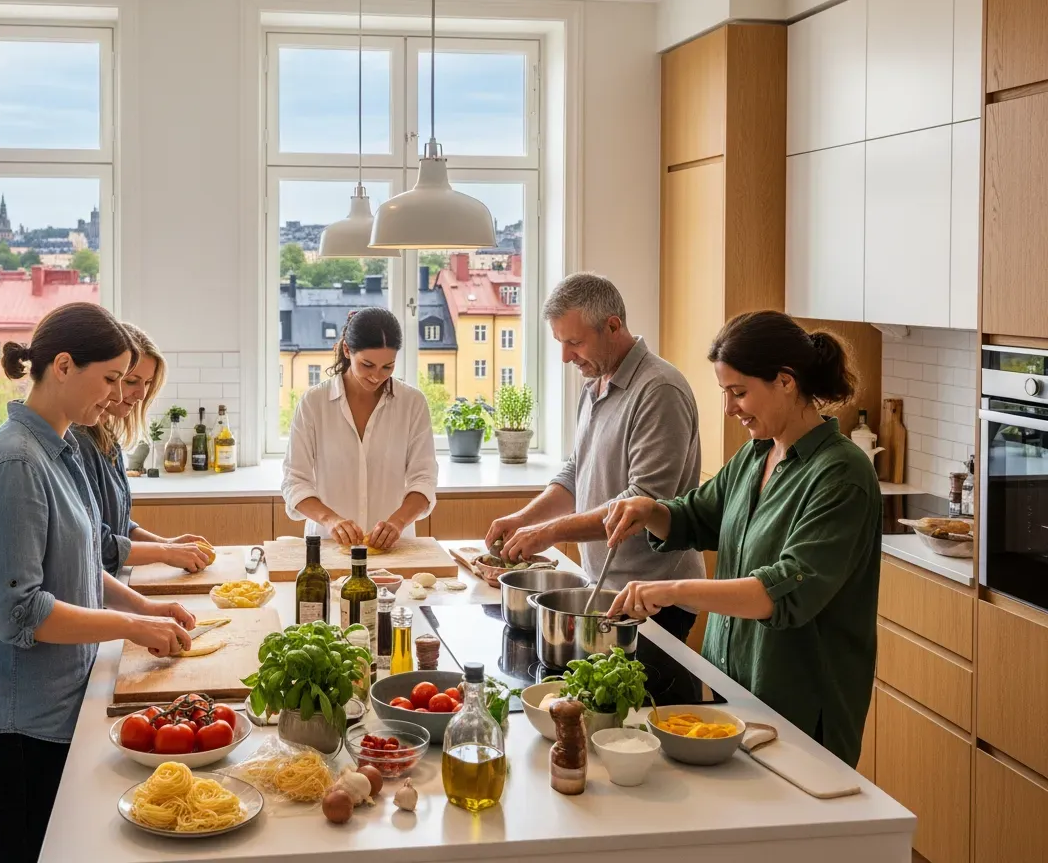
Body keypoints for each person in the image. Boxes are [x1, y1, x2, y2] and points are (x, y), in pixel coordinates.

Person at [0, 303, 198, 863]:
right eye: (109, 379)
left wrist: (148, 608)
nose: (117, 395)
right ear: (62, 366)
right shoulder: (16, 463)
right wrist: (132, 625)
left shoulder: (60, 449)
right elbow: (21, 613)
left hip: (53, 709)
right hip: (12, 723)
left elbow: (82, 562)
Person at [603, 311, 880, 766]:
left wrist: (671, 590)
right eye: (725, 393)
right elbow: (694, 517)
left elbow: (781, 591)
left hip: (801, 708)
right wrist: (649, 510)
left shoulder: (842, 475)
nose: (730, 408)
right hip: (732, 693)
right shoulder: (756, 455)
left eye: (739, 392)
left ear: (785, 381)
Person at [485, 273, 704, 641]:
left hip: (654, 596)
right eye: (560, 343)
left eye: (575, 342)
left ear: (613, 326)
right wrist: (524, 519)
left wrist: (549, 532)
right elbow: (576, 472)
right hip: (607, 587)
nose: (565, 357)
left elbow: (641, 503)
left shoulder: (659, 390)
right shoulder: (594, 384)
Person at [283, 307, 437, 549]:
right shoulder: (314, 403)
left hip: (394, 548)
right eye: (367, 365)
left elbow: (424, 477)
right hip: (329, 547)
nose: (377, 376)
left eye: (387, 367)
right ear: (347, 350)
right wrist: (330, 520)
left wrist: (398, 522)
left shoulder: (412, 403)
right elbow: (295, 480)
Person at [74, 323, 213, 577]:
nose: (141, 394)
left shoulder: (106, 437)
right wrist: (165, 552)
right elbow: (100, 546)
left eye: (147, 383)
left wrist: (168, 544)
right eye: (131, 381)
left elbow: (118, 525)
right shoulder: (79, 441)